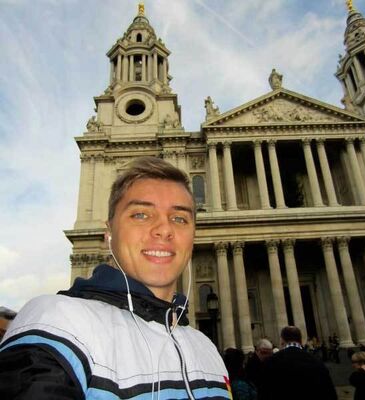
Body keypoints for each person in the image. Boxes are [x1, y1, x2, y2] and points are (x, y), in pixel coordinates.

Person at [0, 157, 231, 399]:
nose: (164, 229)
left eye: (179, 218)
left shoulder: (206, 349)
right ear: (108, 233)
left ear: (193, 237)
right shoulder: (57, 323)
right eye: (141, 215)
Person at [260, 326, 337, 400]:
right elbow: (330, 395)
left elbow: (264, 394)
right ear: (301, 340)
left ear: (282, 341)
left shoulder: (270, 362)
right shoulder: (317, 362)